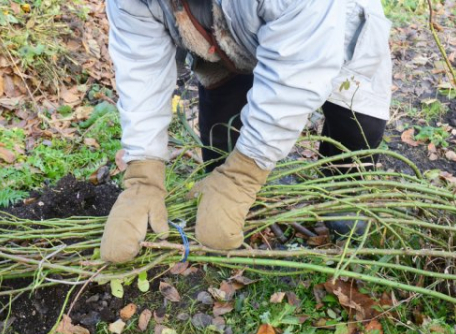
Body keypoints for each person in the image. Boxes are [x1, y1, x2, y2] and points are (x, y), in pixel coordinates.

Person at [100, 0, 393, 263]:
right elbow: (140, 71)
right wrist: (143, 174)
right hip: (227, 41)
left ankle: (342, 193)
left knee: (354, 134)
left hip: (335, 31)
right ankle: (248, 205)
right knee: (219, 147)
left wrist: (244, 173)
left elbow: (297, 75)